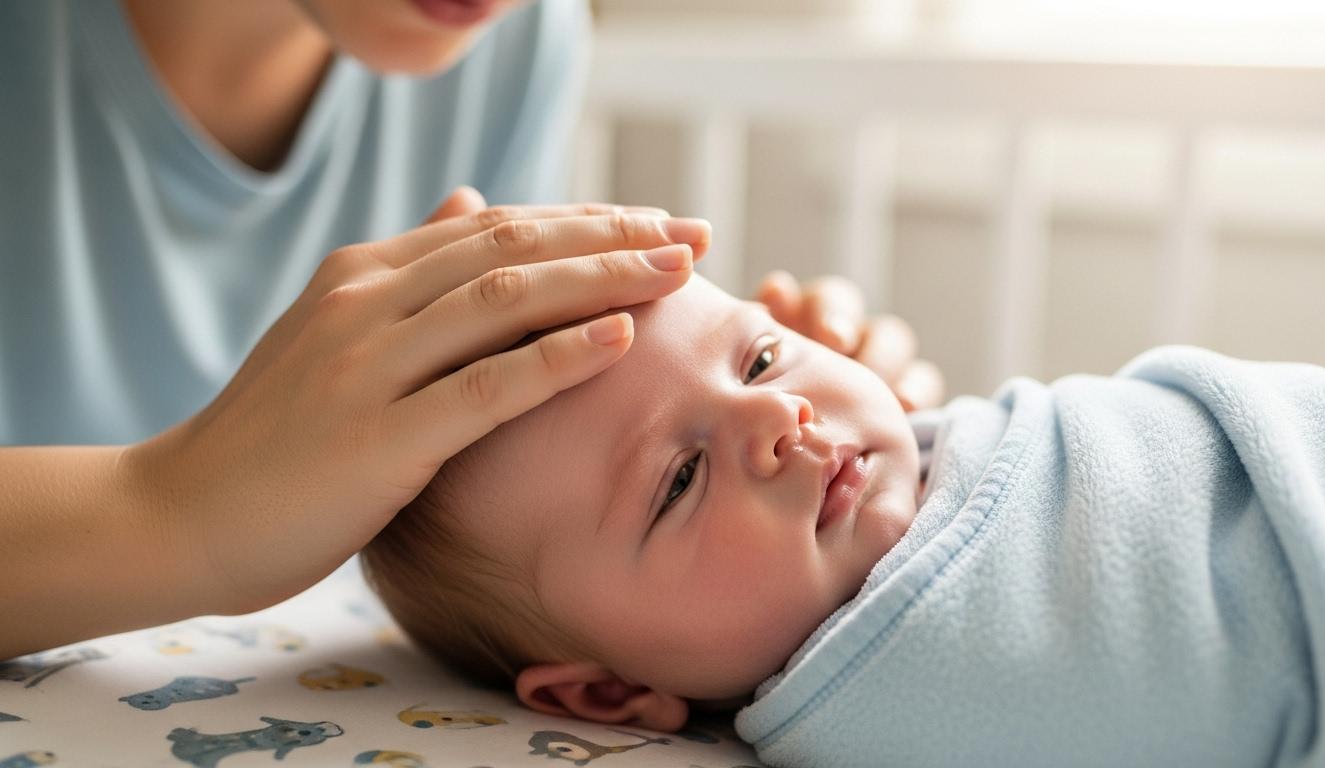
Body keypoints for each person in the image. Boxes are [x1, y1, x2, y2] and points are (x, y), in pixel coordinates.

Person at [0, 0, 942, 662]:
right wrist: (173, 510)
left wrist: (800, 388)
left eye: (764, 351)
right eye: (679, 482)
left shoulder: (509, 37)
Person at [361, 274, 1325, 766]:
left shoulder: (933, 456)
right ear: (607, 689)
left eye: (759, 357)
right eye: (678, 480)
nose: (779, 417)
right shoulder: (917, 688)